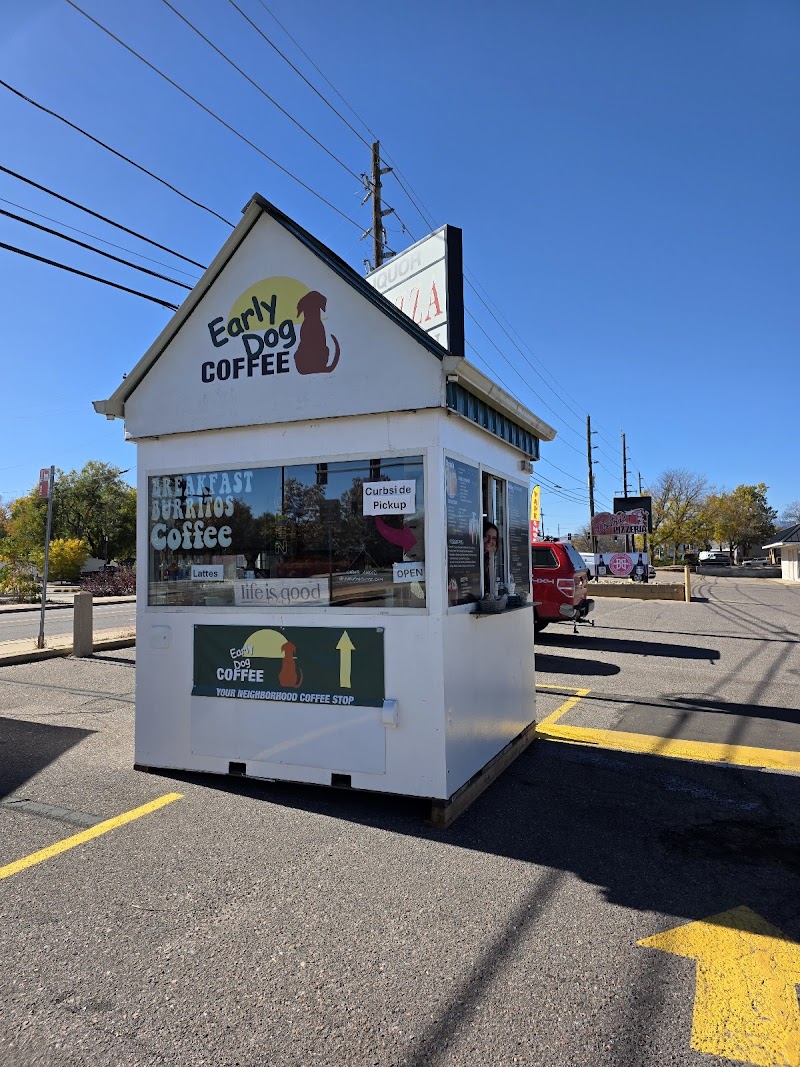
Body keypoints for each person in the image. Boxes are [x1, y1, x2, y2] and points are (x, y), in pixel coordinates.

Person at [483, 521, 499, 597]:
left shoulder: (490, 559)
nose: (490, 541)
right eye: (487, 536)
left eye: (494, 538)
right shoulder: (473, 558)